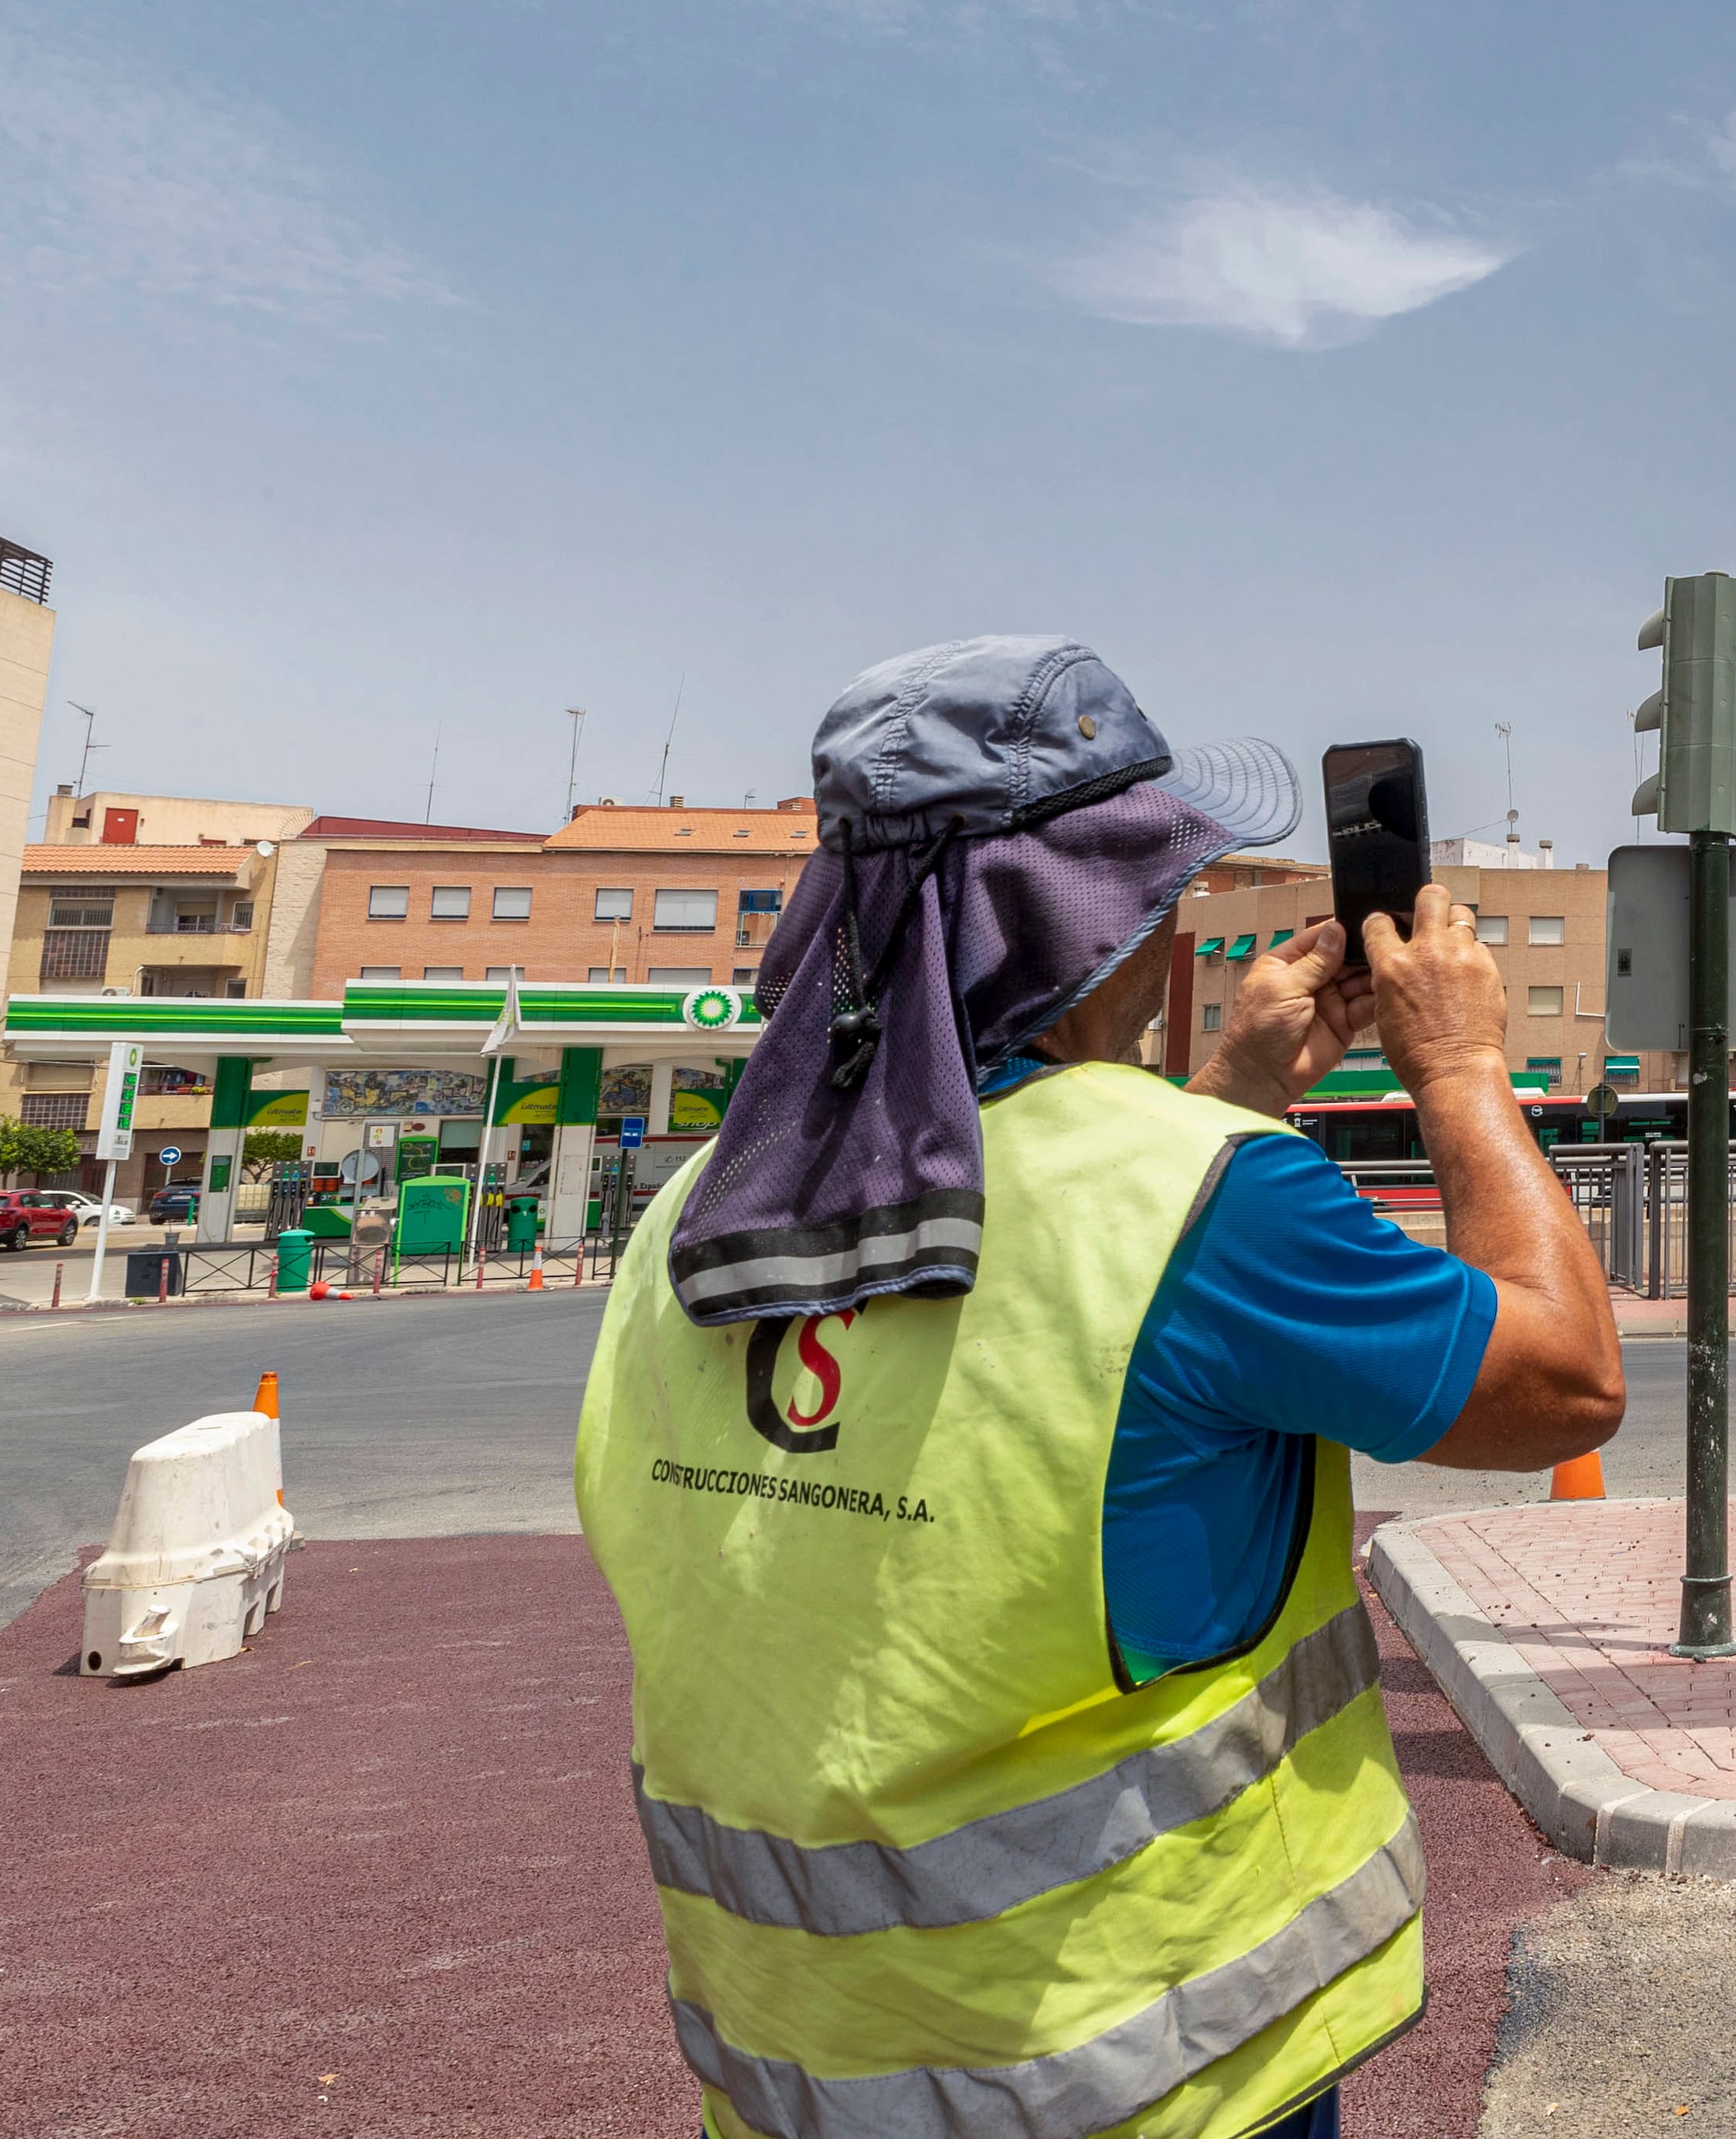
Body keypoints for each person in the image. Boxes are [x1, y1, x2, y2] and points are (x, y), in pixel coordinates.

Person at [573, 635, 1623, 2139]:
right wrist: (1455, 1067)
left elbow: (1042, 1309)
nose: (1177, 917)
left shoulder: (694, 1220)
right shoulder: (1212, 1204)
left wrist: (1236, 1087)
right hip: (1139, 2073)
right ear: (1081, 921)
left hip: (801, 2077)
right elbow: (1567, 1383)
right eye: (1158, 881)